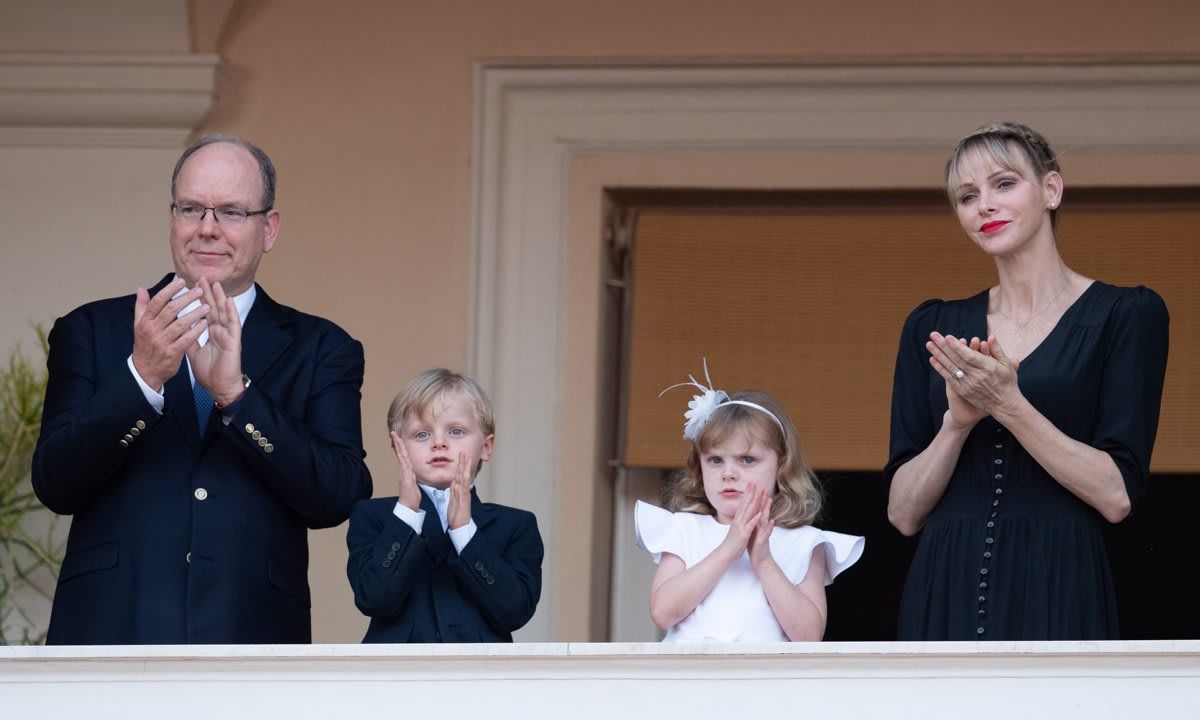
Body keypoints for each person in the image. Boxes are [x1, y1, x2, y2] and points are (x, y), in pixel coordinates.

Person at [32, 134, 372, 644]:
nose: (208, 229)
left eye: (231, 212)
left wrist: (238, 397)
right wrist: (141, 379)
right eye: (192, 208)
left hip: (251, 638)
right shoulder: (91, 330)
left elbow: (339, 496)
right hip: (110, 634)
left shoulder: (323, 347)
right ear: (172, 218)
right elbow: (55, 483)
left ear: (269, 228)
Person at [885, 122, 1170, 640]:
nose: (984, 206)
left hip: (1058, 578)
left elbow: (1117, 495)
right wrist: (956, 425)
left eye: (1004, 184)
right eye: (967, 196)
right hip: (943, 580)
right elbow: (903, 514)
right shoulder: (930, 327)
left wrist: (1008, 404)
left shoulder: (1127, 315)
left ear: (1051, 191)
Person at [635, 364, 863, 642]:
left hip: (766, 683)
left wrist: (764, 561)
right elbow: (662, 612)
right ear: (699, 468)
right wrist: (729, 548)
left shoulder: (804, 542)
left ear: (781, 465)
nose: (728, 473)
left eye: (747, 460)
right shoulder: (684, 529)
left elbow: (809, 636)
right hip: (691, 682)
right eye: (715, 460)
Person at [346, 369, 543, 643]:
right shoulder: (372, 516)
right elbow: (374, 599)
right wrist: (406, 515)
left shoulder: (516, 525)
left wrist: (464, 532)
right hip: (397, 679)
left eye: (456, 431)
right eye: (422, 434)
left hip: (481, 680)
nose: (439, 443)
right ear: (398, 446)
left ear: (486, 446)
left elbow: (514, 612)